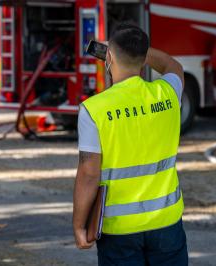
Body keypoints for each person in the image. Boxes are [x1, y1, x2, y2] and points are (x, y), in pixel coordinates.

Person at [73, 23, 188, 265]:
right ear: (144, 59)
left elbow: (88, 173)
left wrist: (79, 224)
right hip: (166, 223)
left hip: (119, 230)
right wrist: (141, 52)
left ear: (109, 57)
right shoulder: (167, 94)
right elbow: (172, 65)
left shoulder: (94, 110)